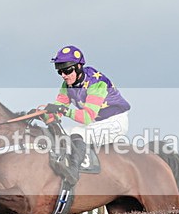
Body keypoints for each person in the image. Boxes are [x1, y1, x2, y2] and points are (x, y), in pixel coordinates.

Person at [44, 45, 131, 186]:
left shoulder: (97, 83)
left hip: (115, 122)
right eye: (60, 71)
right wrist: (44, 115)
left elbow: (86, 117)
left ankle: (73, 171)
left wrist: (63, 111)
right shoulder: (67, 85)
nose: (64, 75)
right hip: (96, 123)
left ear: (79, 67)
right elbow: (58, 110)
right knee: (63, 134)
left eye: (67, 70)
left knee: (78, 133)